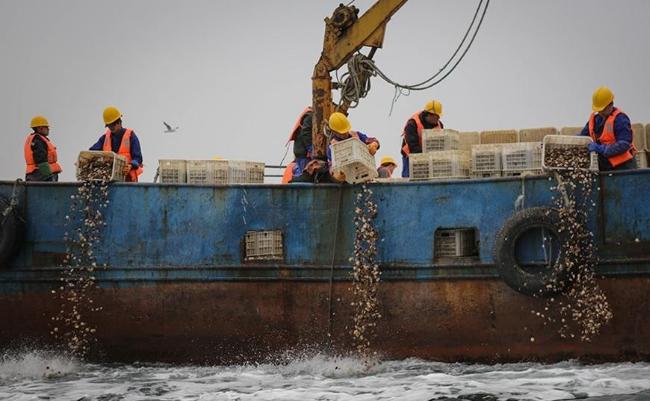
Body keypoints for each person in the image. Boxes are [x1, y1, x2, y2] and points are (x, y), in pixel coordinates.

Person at [580, 87, 637, 171]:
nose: (600, 112)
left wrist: (601, 148)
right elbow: (582, 137)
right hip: (605, 167)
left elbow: (624, 144)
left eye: (602, 109)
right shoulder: (595, 120)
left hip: (624, 169)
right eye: (598, 110)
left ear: (610, 104)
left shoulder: (620, 119)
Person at [90, 106, 144, 182]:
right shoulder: (105, 138)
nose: (111, 127)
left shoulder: (131, 136)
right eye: (109, 125)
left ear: (119, 122)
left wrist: (130, 165)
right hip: (110, 181)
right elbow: (92, 152)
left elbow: (138, 158)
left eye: (113, 124)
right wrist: (86, 161)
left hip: (128, 181)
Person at [326, 112, 379, 182]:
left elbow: (372, 140)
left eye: (346, 130)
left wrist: (374, 144)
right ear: (334, 131)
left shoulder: (356, 135)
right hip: (349, 180)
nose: (345, 133)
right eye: (342, 133)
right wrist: (335, 175)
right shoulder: (332, 148)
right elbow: (331, 166)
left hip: (365, 174)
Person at [400, 100, 444, 177]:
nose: (438, 118)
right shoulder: (412, 123)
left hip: (430, 159)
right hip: (411, 157)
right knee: (409, 180)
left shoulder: (439, 125)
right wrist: (423, 159)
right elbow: (412, 145)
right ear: (429, 115)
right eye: (437, 116)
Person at [24, 115, 62, 182]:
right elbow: (41, 160)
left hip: (36, 175)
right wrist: (49, 177)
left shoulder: (36, 139)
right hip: (40, 175)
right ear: (39, 128)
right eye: (46, 127)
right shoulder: (38, 141)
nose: (48, 129)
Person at [282, 107, 313, 183]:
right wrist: (311, 148)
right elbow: (305, 133)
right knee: (305, 177)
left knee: (303, 174)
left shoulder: (310, 115)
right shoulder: (310, 116)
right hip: (303, 153)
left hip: (301, 153)